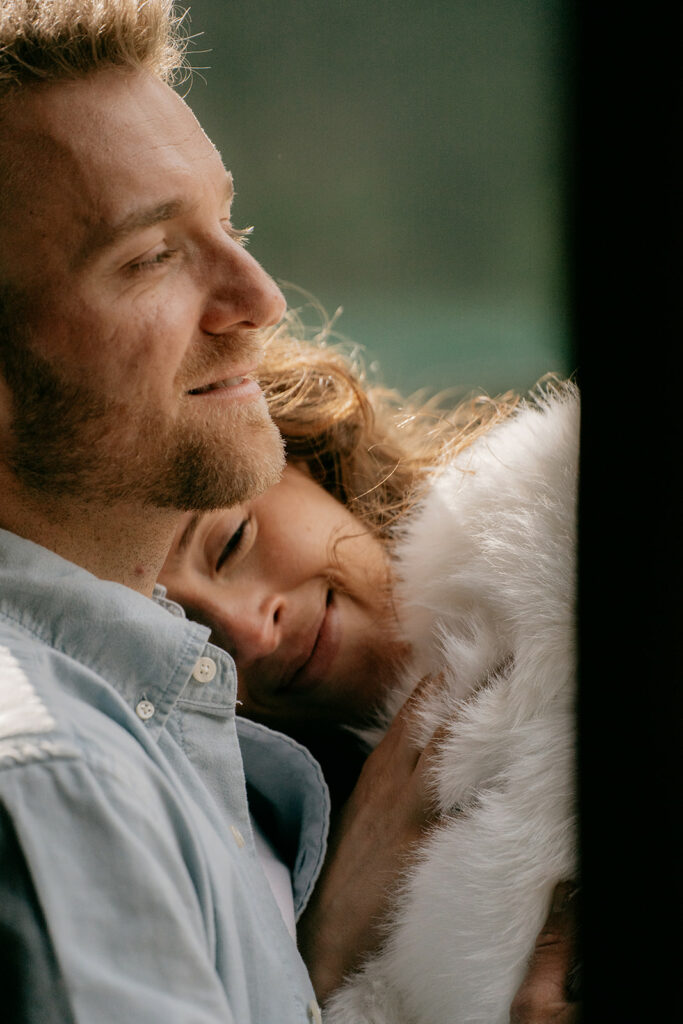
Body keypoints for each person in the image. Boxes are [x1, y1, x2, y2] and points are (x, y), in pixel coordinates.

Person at [0, 1, 575, 1020]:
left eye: (226, 223)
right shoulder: (54, 773)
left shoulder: (166, 729)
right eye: (148, 258)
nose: (260, 297)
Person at [158, 328, 581, 1020]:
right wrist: (324, 953)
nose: (249, 634)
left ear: (294, 447)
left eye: (232, 544)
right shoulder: (263, 874)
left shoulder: (556, 495)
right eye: (184, 639)